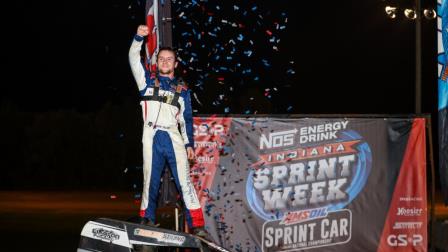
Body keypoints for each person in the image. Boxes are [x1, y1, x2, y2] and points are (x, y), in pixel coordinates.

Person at [129, 25, 206, 237]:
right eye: (161, 58)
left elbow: (186, 120)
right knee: (150, 181)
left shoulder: (182, 90)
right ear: (156, 62)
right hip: (151, 136)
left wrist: (189, 144)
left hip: (173, 137)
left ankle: (197, 226)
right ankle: (147, 219)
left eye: (169, 59)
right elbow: (134, 59)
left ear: (175, 63)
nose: (164, 62)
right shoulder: (145, 81)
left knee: (185, 182)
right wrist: (138, 38)